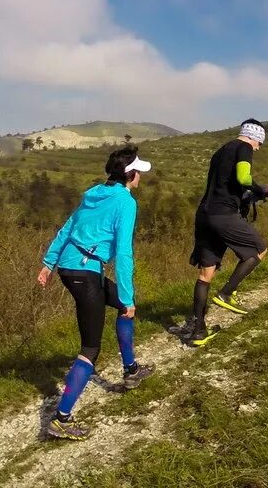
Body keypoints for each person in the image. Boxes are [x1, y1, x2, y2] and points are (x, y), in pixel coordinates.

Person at [38, 147, 155, 440]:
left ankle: (130, 371)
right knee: (91, 347)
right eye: (138, 170)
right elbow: (125, 253)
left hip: (72, 267)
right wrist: (128, 295)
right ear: (130, 175)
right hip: (84, 273)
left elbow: (67, 228)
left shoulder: (93, 193)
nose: (140, 175)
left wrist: (49, 263)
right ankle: (61, 419)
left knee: (121, 304)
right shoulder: (126, 202)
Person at [172, 119, 268, 347]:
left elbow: (226, 184)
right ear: (255, 137)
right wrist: (262, 189)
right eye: (260, 143)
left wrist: (248, 196)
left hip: (205, 213)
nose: (258, 148)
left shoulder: (221, 151)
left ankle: (199, 332)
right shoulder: (245, 148)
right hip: (223, 214)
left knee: (205, 275)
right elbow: (243, 178)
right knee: (259, 250)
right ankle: (227, 293)